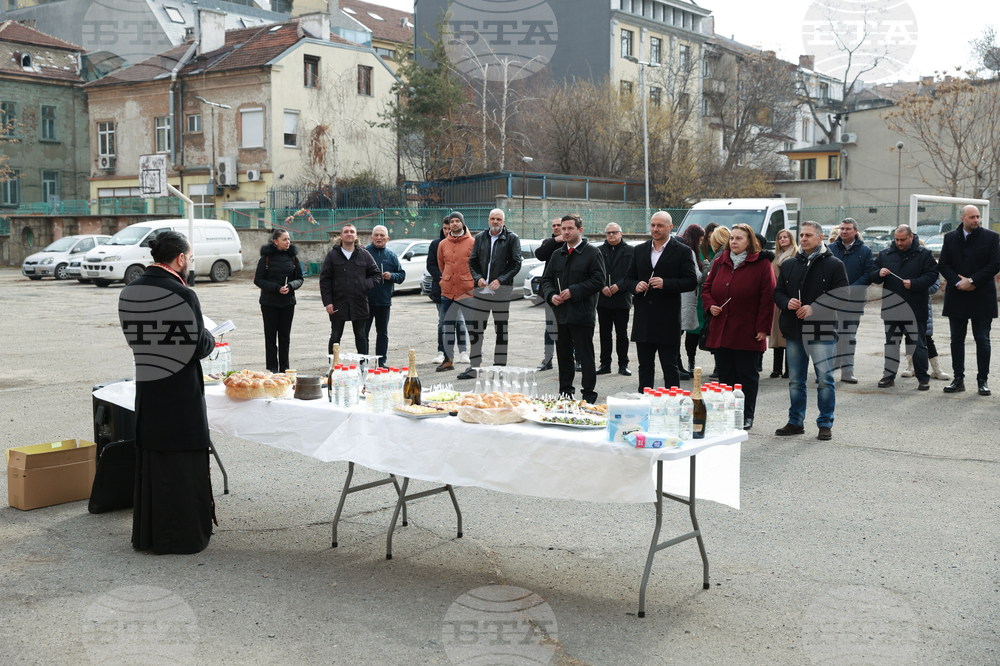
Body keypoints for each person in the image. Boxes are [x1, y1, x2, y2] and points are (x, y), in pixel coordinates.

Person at [120, 230, 216, 554]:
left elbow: (135, 339)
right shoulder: (183, 293)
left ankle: (152, 535)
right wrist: (210, 338)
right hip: (179, 390)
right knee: (181, 466)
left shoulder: (130, 290)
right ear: (180, 259)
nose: (188, 263)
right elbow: (196, 346)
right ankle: (184, 537)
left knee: (155, 462)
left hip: (149, 385)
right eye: (188, 258)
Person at [772, 221, 849, 441]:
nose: (803, 238)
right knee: (796, 380)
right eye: (802, 235)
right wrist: (787, 303)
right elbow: (777, 293)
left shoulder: (834, 264)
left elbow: (843, 296)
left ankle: (825, 423)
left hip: (821, 332)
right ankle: (795, 421)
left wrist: (814, 308)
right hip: (795, 332)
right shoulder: (788, 265)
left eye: (808, 235)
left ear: (820, 237)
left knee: (825, 379)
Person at [702, 224, 775, 430]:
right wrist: (710, 306)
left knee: (746, 377)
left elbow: (768, 297)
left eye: (739, 238)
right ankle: (726, 412)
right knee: (725, 376)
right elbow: (706, 288)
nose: (734, 242)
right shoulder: (720, 261)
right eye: (732, 238)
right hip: (722, 329)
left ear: (749, 242)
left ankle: (745, 415)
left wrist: (763, 327)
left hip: (748, 329)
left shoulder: (761, 264)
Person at [623, 211, 698, 391]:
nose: (655, 229)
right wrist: (636, 286)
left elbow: (691, 281)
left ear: (670, 227)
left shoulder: (683, 251)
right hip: (644, 319)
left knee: (670, 367)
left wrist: (666, 284)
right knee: (645, 368)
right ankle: (644, 403)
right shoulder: (640, 249)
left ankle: (672, 407)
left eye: (660, 226)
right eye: (653, 225)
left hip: (668, 319)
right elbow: (627, 279)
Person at [540, 214, 606, 402]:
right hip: (560, 314)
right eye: (564, 228)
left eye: (570, 228)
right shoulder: (557, 254)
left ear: (580, 230)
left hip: (582, 314)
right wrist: (552, 295)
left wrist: (574, 291)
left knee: (585, 356)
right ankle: (566, 393)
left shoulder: (593, 253)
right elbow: (547, 280)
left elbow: (598, 280)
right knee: (564, 356)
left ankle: (588, 395)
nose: (566, 232)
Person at [937, 204, 1000, 395]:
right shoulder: (950, 237)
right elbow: (944, 265)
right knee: (957, 338)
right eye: (972, 217)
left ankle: (983, 381)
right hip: (957, 295)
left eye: (978, 216)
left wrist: (972, 281)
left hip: (982, 294)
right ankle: (958, 380)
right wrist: (958, 282)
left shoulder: (991, 237)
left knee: (982, 339)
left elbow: (995, 264)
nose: (976, 220)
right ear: (962, 219)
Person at [869, 224, 938, 390]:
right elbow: (871, 274)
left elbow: (932, 276)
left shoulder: (925, 254)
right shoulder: (885, 254)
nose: (899, 243)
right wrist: (879, 274)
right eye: (897, 239)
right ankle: (888, 376)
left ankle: (923, 378)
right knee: (891, 344)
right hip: (892, 308)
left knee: (918, 345)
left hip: (915, 308)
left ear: (911, 237)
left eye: (903, 240)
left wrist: (914, 284)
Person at [456, 209, 522, 380]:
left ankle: (499, 368)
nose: (495, 221)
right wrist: (477, 278)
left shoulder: (512, 238)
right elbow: (472, 261)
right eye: (492, 218)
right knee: (477, 330)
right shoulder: (480, 237)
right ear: (488, 220)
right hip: (481, 291)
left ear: (504, 221)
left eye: (498, 219)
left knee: (501, 330)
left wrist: (500, 280)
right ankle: (474, 367)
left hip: (501, 291)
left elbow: (516, 264)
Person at [319, 224, 380, 355]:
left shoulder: (364, 254)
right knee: (335, 336)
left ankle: (363, 366)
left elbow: (376, 275)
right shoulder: (332, 255)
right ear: (341, 236)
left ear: (356, 236)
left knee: (361, 335)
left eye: (352, 232)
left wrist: (365, 284)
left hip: (359, 303)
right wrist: (328, 302)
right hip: (338, 302)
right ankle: (332, 366)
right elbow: (325, 280)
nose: (349, 234)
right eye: (346, 232)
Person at [829, 218, 875, 384]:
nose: (844, 232)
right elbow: (823, 272)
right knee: (830, 336)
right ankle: (827, 371)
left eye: (848, 229)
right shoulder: (830, 248)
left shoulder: (865, 251)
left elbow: (869, 274)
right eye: (842, 229)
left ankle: (847, 372)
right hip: (832, 301)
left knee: (848, 337)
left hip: (853, 302)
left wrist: (850, 289)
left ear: (856, 231)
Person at [253, 229, 304, 373]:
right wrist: (276, 288)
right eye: (285, 239)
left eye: (289, 239)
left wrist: (291, 286)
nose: (288, 242)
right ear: (276, 242)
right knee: (270, 337)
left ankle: (284, 368)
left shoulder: (293, 257)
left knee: (285, 337)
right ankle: (272, 368)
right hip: (269, 303)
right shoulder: (266, 258)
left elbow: (299, 279)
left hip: (288, 303)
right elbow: (258, 280)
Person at [436, 212, 476, 372]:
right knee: (448, 327)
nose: (454, 224)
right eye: (452, 221)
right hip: (447, 292)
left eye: (457, 221)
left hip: (467, 291)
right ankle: (448, 360)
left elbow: (477, 264)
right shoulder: (443, 244)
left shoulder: (473, 242)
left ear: (462, 223)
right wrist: (445, 279)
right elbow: (441, 264)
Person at [596, 222, 635, 376]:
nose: (611, 235)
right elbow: (594, 272)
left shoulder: (631, 251)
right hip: (603, 299)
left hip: (621, 298)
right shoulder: (598, 251)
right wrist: (602, 286)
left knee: (622, 334)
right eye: (608, 233)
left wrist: (619, 285)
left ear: (621, 233)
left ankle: (623, 365)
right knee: (604, 334)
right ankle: (605, 364)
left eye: (614, 232)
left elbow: (632, 273)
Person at [365, 225, 405, 367]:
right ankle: (363, 362)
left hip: (384, 301)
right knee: (363, 334)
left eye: (382, 235)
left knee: (382, 334)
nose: (379, 238)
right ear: (371, 237)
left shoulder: (392, 256)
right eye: (376, 235)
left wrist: (391, 276)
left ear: (387, 238)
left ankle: (381, 362)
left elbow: (401, 276)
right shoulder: (364, 253)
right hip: (366, 301)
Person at [535, 217, 565, 371]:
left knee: (572, 328)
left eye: (559, 225)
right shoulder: (549, 242)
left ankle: (577, 360)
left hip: (568, 291)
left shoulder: (571, 242)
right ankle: (548, 360)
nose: (556, 228)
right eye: (553, 225)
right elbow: (540, 254)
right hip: (550, 291)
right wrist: (556, 241)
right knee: (550, 328)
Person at [680, 224, 709, 379]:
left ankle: (680, 365)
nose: (701, 242)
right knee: (682, 331)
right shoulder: (689, 251)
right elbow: (696, 277)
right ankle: (679, 366)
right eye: (700, 238)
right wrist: (705, 265)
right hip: (687, 297)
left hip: (685, 297)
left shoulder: (681, 247)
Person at [769, 228, 797, 378]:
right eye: (780, 237)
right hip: (777, 298)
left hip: (790, 299)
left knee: (788, 335)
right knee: (777, 336)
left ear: (791, 239)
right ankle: (776, 368)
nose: (783, 239)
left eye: (786, 237)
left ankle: (789, 369)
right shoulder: (775, 256)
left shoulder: (796, 254)